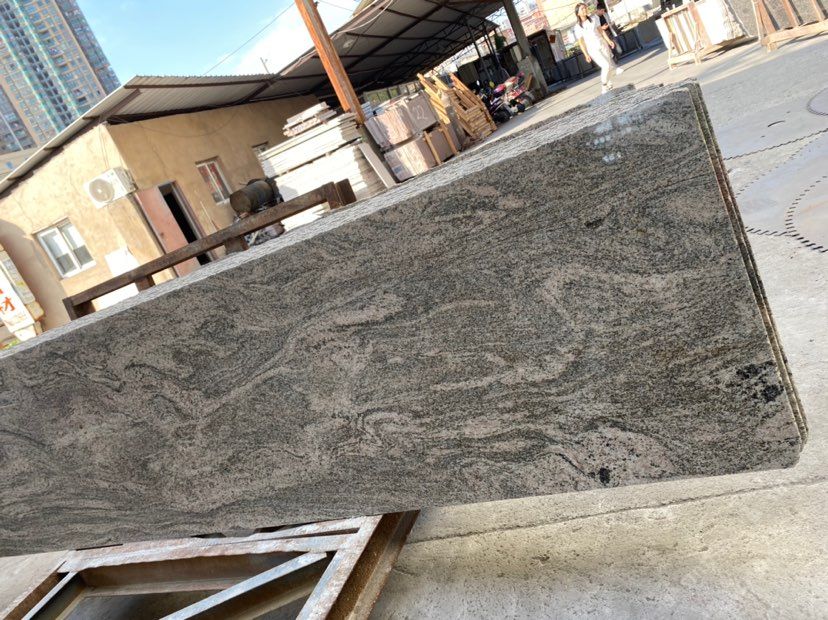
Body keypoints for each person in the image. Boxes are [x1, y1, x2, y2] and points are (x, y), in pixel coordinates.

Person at [573, 2, 624, 95]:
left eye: (585, 8)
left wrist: (609, 41)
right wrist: (586, 54)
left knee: (609, 66)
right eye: (582, 9)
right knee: (606, 66)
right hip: (592, 49)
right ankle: (604, 86)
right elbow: (581, 42)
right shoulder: (577, 27)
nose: (585, 10)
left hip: (602, 44)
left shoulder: (593, 19)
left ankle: (608, 83)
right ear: (578, 13)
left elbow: (601, 31)